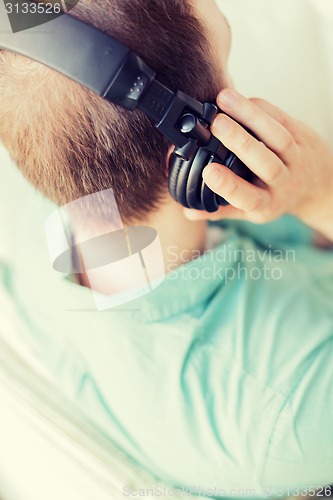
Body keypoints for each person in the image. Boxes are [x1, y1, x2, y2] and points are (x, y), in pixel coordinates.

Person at [0, 0, 332, 497]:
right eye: (227, 47)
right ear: (199, 154)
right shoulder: (295, 402)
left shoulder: (41, 207)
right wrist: (321, 191)